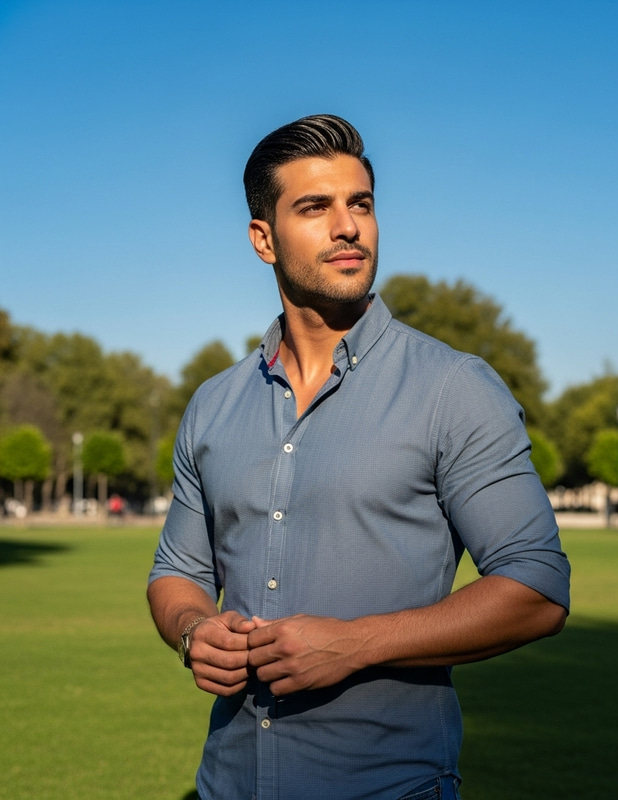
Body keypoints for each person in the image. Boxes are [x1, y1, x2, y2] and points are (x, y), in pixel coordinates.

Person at [147, 114, 570, 800]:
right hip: (226, 785)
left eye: (361, 204)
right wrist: (193, 630)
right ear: (263, 238)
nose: (349, 226)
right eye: (315, 207)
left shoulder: (453, 389)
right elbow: (176, 571)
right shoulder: (214, 404)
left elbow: (537, 589)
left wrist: (354, 644)